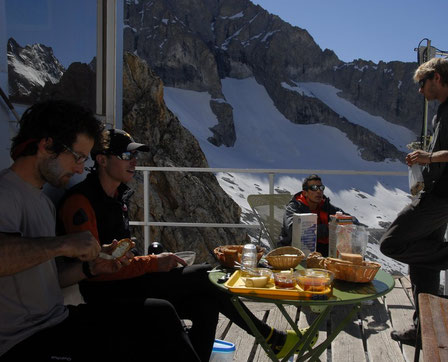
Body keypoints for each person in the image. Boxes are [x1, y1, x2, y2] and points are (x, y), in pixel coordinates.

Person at [57, 128, 317, 361]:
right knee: (206, 275)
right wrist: (152, 263)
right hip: (108, 293)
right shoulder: (81, 203)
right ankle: (272, 338)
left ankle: (267, 341)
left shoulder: (116, 196)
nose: (134, 162)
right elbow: (96, 269)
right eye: (126, 156)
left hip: (128, 282)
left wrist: (152, 261)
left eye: (135, 156)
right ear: (101, 160)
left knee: (206, 301)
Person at [0, 100, 200, 361]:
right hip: (24, 340)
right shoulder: (6, 193)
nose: (81, 168)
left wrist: (92, 267)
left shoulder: (41, 201)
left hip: (58, 320)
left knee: (159, 314)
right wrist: (63, 244)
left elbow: (48, 279)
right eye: (78, 157)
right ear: (47, 145)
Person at [379, 58, 448, 344]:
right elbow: (447, 151)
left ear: (436, 78)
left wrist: (429, 157)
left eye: (421, 83)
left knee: (391, 243)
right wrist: (422, 159)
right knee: (423, 264)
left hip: (444, 195)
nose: (419, 90)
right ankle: (424, 329)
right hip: (437, 191)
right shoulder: (444, 109)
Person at [279, 174, 359, 257]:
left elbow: (347, 218)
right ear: (305, 193)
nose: (318, 191)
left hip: (323, 252)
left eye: (321, 188)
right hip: (296, 254)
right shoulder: (294, 208)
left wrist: (351, 221)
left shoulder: (325, 206)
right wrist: (330, 228)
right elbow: (295, 231)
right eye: (314, 188)